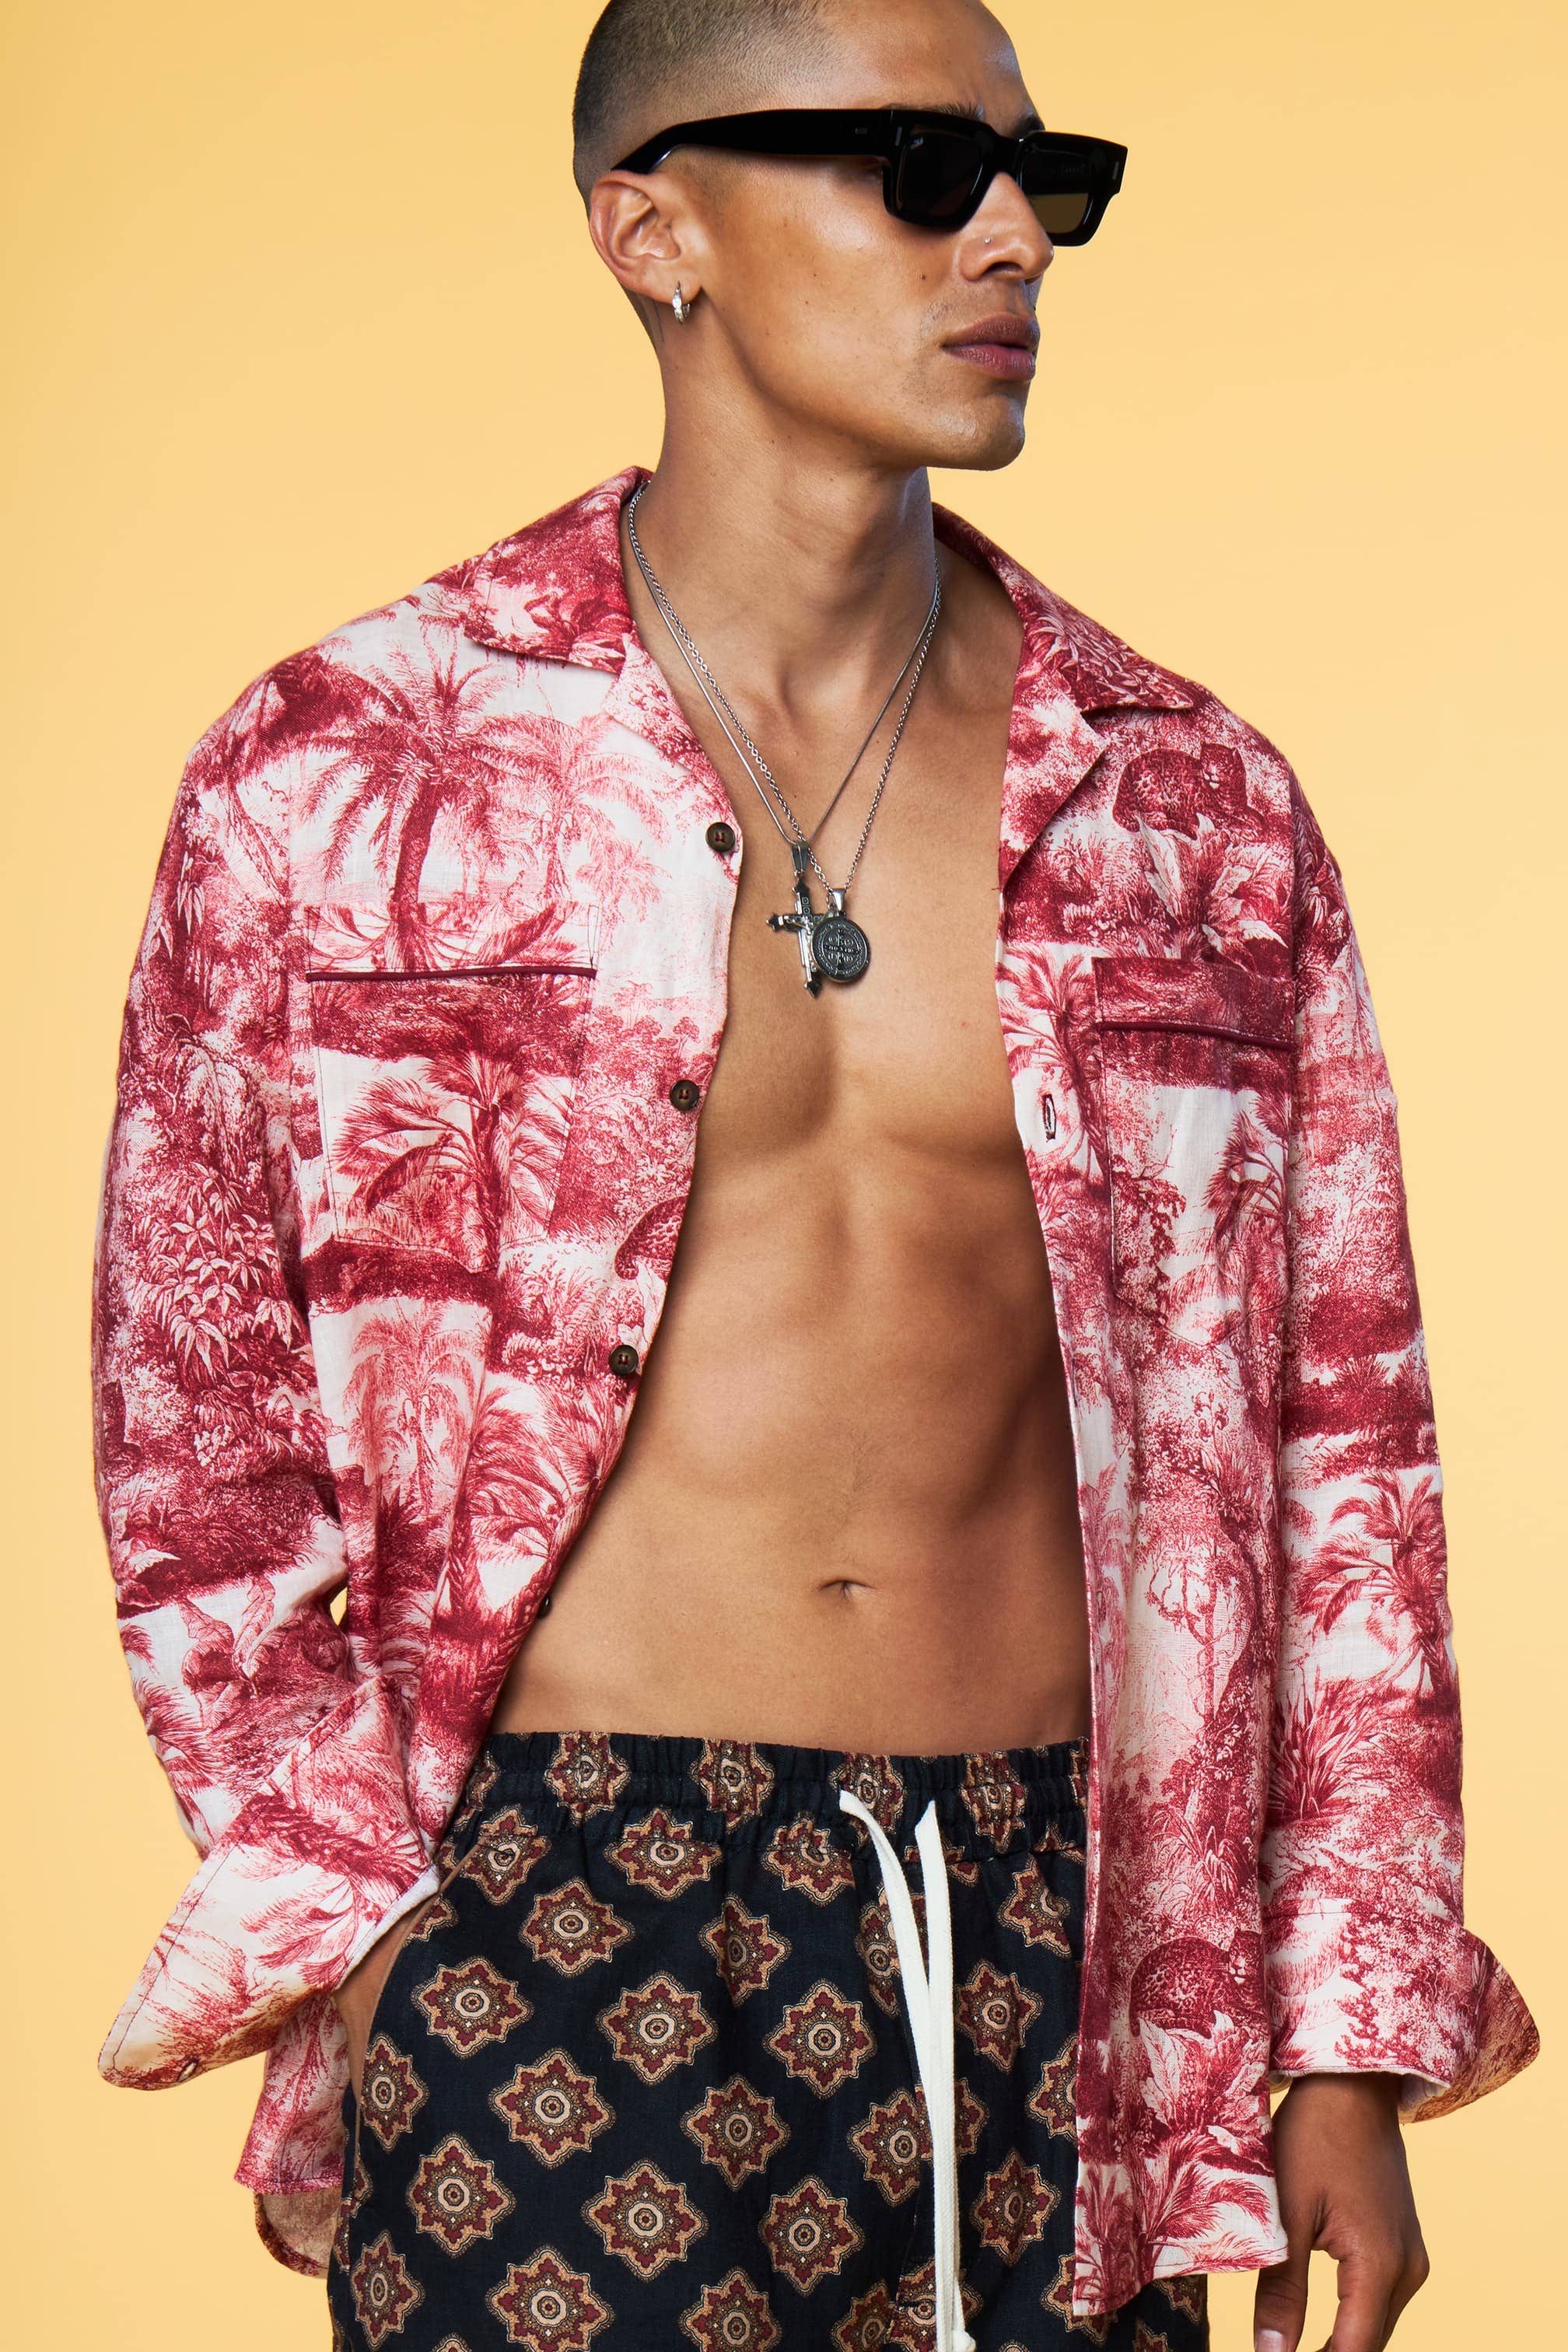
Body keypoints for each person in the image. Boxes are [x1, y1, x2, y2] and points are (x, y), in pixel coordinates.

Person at [89, 1, 1538, 2346]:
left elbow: (1340, 1460)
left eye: (1047, 178)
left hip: (1082, 1933)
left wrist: (1343, 2036)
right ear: (649, 230)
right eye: (918, 168)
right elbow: (197, 1436)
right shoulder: (345, 769)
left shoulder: (1193, 809)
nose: (1014, 238)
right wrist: (369, 1934)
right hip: (556, 1921)